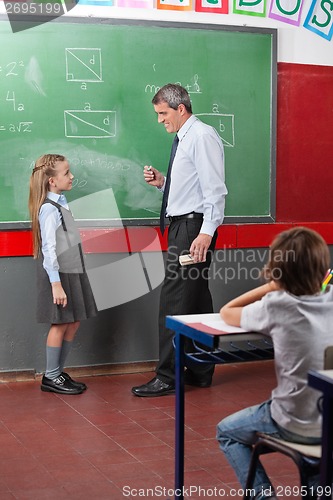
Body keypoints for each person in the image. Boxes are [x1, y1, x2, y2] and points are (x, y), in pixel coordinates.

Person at [216, 226, 333, 499]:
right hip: (329, 420)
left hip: (292, 420)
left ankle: (263, 496)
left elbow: (227, 312)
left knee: (226, 432)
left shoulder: (276, 305)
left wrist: (271, 286)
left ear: (277, 270)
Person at [132, 83, 227, 397]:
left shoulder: (201, 136)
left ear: (181, 108)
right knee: (196, 301)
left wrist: (205, 232)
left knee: (173, 301)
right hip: (186, 226)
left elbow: (215, 190)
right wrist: (164, 183)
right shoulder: (184, 139)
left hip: (192, 231)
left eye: (162, 113)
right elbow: (192, 190)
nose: (160, 120)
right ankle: (200, 370)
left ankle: (167, 376)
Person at [29, 154, 98, 395]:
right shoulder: (48, 209)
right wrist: (56, 284)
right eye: (67, 173)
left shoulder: (60, 201)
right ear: (51, 181)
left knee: (73, 319)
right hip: (59, 273)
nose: (72, 176)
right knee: (60, 322)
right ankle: (51, 376)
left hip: (72, 269)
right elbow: (49, 249)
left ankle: (58, 370)